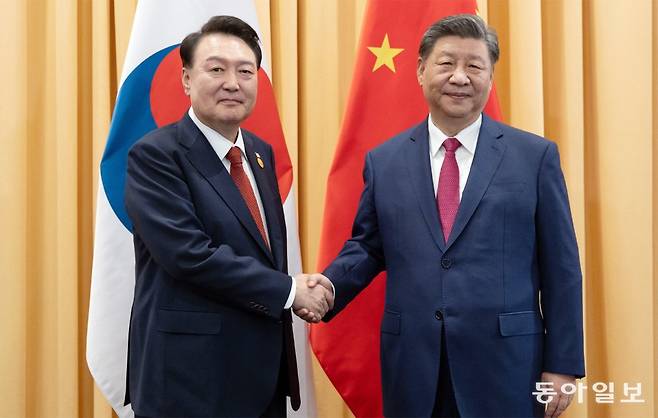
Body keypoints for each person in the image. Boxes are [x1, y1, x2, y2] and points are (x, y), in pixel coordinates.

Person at [300, 13, 585, 418]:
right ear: (421, 70)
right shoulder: (385, 161)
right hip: (414, 368)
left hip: (507, 368)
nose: (460, 77)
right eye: (447, 63)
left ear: (490, 76)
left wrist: (562, 364)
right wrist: (329, 286)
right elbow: (368, 246)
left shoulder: (534, 158)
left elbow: (562, 267)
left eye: (475, 66)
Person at [123, 15, 332, 418]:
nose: (232, 83)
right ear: (187, 80)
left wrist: (296, 289)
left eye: (245, 71)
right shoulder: (155, 156)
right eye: (216, 69)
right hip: (189, 381)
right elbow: (189, 255)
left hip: (262, 379)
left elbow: (261, 253)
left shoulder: (260, 153)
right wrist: (291, 291)